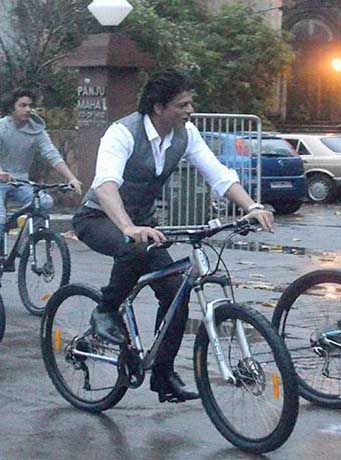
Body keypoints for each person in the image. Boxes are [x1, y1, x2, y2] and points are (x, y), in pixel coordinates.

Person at [72, 69, 273, 404]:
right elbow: (105, 184)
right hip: (99, 218)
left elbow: (219, 175)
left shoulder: (185, 134)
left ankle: (163, 376)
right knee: (133, 249)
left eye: (190, 103)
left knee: (176, 292)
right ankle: (105, 310)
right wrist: (127, 227)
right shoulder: (122, 132)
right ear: (158, 107)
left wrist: (251, 206)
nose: (190, 109)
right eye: (182, 104)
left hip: (145, 226)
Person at [0, 88, 83, 269]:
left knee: (43, 202)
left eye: (30, 106)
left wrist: (71, 178)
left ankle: (23, 246)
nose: (28, 109)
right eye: (23, 105)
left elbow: (52, 154)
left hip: (21, 180)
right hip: (0, 180)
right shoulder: (2, 127)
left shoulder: (36, 128)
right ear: (11, 108)